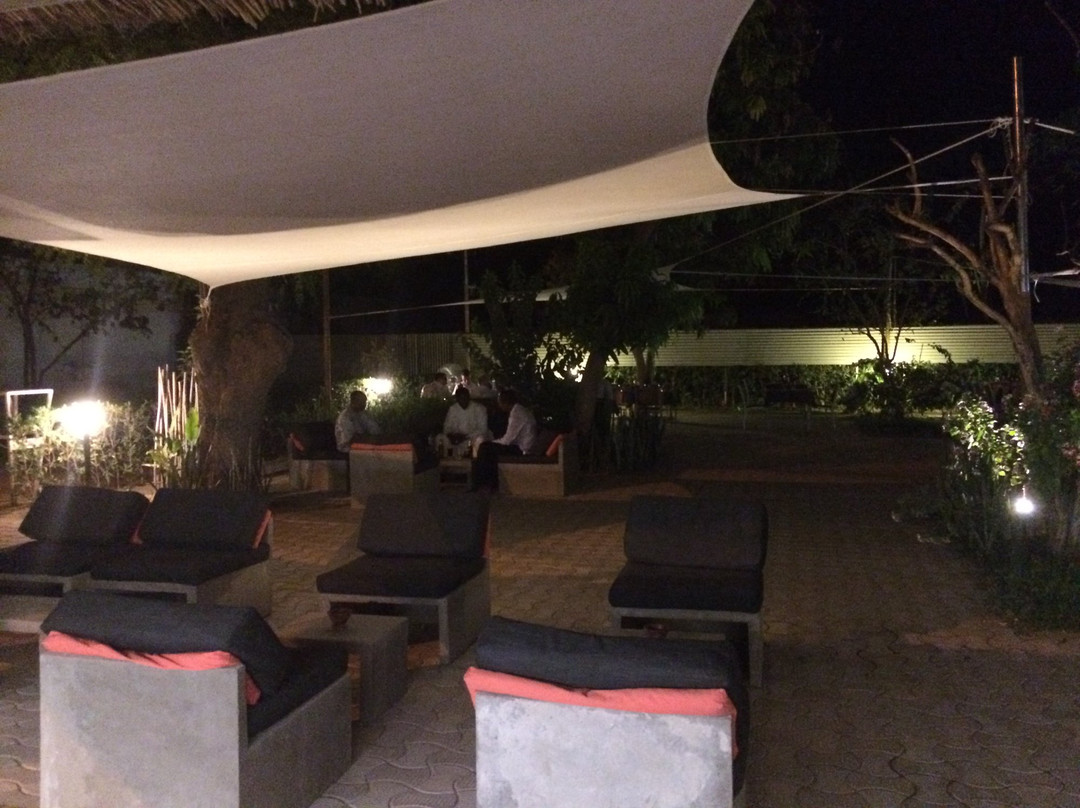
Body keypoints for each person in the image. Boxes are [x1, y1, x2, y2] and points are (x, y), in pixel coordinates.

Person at [470, 389, 537, 492]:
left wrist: (492, 442)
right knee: (487, 449)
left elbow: (507, 440)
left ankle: (483, 483)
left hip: (522, 449)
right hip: (519, 446)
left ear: (504, 402)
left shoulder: (517, 414)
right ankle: (486, 483)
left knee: (485, 447)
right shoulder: (519, 410)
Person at [438, 386, 490, 458]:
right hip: (456, 438)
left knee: (480, 440)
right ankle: (447, 462)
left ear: (469, 397)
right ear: (457, 399)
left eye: (465, 398)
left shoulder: (479, 408)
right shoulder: (453, 409)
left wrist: (465, 437)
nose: (463, 400)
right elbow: (446, 427)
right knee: (440, 438)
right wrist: (451, 435)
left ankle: (476, 462)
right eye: (461, 398)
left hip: (473, 437)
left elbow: (483, 429)